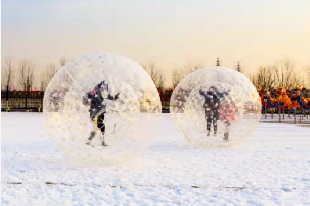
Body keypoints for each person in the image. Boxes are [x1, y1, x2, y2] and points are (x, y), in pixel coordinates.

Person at [82, 81, 120, 147]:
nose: (105, 89)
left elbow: (113, 98)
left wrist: (119, 95)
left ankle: (92, 141)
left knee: (99, 127)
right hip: (94, 113)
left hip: (100, 113)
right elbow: (84, 100)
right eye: (104, 88)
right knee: (99, 127)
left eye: (105, 88)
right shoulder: (93, 93)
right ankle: (92, 141)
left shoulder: (102, 94)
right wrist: (87, 102)